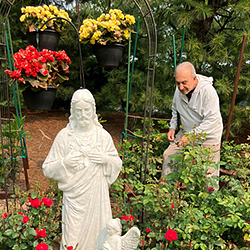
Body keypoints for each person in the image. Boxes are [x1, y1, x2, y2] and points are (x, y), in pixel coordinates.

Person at [42, 89, 122, 250]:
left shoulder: (102, 136)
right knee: (72, 239)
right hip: (74, 202)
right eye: (78, 111)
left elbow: (116, 163)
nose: (83, 114)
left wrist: (106, 159)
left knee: (98, 239)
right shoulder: (64, 137)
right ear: (72, 112)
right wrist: (65, 163)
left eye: (87, 110)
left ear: (93, 111)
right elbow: (47, 169)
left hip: (97, 200)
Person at [162, 62, 223, 182]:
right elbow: (175, 110)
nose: (180, 87)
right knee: (169, 157)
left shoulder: (207, 92)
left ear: (194, 79)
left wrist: (191, 136)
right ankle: (167, 196)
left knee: (206, 175)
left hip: (208, 137)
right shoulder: (178, 90)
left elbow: (211, 120)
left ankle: (208, 200)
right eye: (178, 83)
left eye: (184, 83)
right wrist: (172, 127)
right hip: (186, 133)